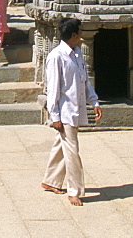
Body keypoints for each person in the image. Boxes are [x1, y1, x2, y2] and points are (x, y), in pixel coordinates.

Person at [42, 17, 102, 206]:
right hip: (65, 111)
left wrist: (94, 101)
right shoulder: (56, 56)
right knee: (72, 152)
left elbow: (85, 81)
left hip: (77, 108)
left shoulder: (77, 54)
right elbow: (53, 89)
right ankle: (74, 190)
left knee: (62, 145)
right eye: (80, 31)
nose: (82, 34)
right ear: (74, 34)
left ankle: (50, 180)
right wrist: (55, 116)